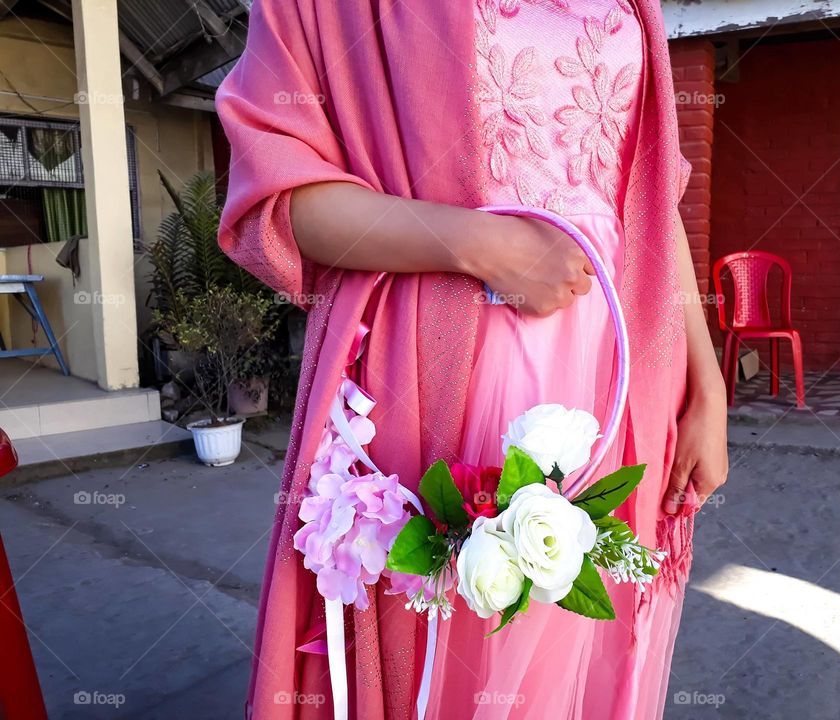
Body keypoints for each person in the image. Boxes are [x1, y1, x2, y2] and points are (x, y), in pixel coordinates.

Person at [216, 1, 728, 718]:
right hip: (444, 369)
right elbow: (282, 201)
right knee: (445, 628)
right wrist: (480, 246)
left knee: (575, 630)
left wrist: (707, 387)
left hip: (618, 370)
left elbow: (651, 200)